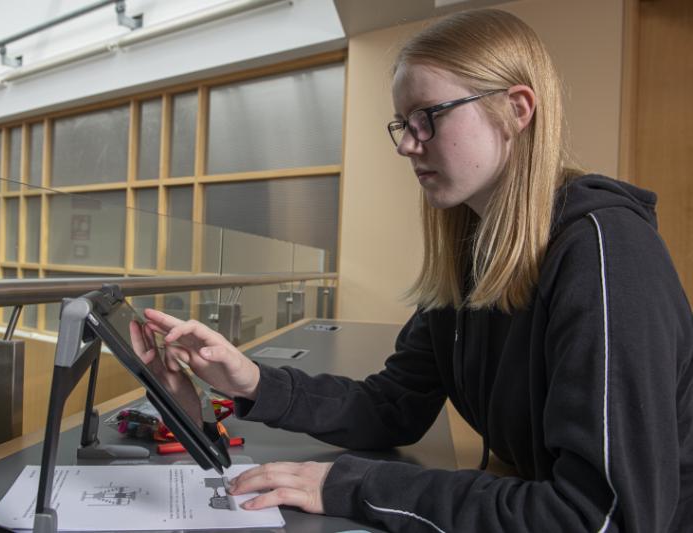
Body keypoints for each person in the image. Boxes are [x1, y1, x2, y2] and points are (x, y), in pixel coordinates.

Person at [140, 8, 693, 532]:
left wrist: (354, 484)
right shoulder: (477, 252)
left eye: (428, 118)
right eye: (402, 123)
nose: (407, 145)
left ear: (517, 109)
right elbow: (393, 407)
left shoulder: (604, 251)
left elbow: (602, 516)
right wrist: (251, 380)